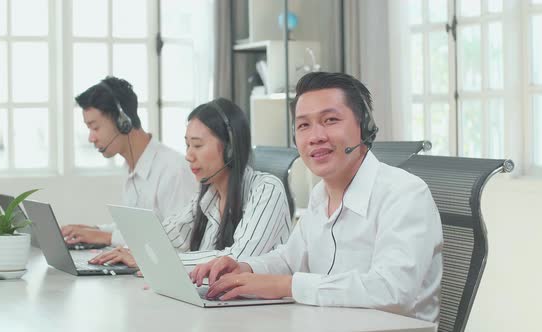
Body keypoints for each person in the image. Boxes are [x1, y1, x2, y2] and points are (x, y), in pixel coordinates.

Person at [190, 72, 443, 322]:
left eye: (331, 120)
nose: (315, 136)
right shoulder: (320, 194)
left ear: (364, 126)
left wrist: (287, 286)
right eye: (303, 125)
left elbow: (393, 290)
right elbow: (289, 259)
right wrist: (245, 268)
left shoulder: (404, 194)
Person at [89, 98, 293, 267]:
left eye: (197, 145)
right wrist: (128, 252)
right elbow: (166, 235)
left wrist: (153, 260)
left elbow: (237, 258)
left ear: (230, 148)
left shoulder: (266, 190)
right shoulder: (208, 196)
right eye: (187, 145)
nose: (188, 156)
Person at [61, 76, 196, 247]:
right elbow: (135, 228)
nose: (91, 138)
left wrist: (107, 238)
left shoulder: (173, 169)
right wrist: (94, 230)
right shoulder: (130, 166)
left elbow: (181, 239)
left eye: (95, 127)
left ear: (122, 121)